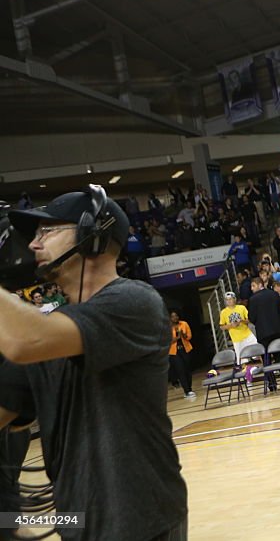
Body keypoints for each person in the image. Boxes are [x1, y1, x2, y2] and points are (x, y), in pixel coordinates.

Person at [0, 186, 188, 538]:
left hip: (141, 521)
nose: (32, 245)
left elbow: (26, 340)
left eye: (47, 231)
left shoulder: (135, 302)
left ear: (93, 234)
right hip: (77, 523)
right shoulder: (48, 331)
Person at [247, 279, 280, 390]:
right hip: (277, 330)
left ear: (260, 285)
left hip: (263, 333)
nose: (251, 288)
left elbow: (252, 318)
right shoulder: (274, 294)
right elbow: (279, 311)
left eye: (253, 285)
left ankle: (272, 384)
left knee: (267, 360)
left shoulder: (253, 299)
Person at [219, 291, 258, 364]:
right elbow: (222, 327)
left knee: (258, 352)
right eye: (227, 300)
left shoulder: (242, 308)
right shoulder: (223, 312)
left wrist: (241, 321)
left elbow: (249, 319)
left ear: (235, 299)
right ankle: (246, 374)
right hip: (236, 339)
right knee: (242, 359)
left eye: (230, 299)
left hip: (247, 335)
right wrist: (231, 325)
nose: (229, 301)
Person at [169, 310, 197, 400]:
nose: (175, 318)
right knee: (181, 370)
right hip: (174, 352)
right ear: (170, 318)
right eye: (173, 316)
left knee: (188, 369)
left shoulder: (184, 324)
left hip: (185, 349)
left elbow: (189, 337)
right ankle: (187, 391)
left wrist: (183, 335)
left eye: (176, 316)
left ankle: (190, 389)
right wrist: (177, 337)